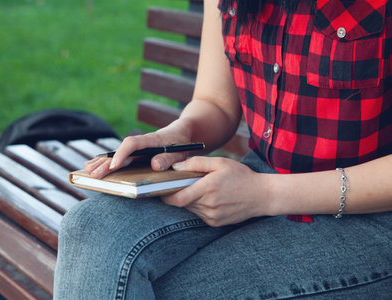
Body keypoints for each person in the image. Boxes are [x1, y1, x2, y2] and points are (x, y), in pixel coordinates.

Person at [53, 0, 392, 298]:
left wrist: (267, 194)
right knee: (90, 229)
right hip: (257, 181)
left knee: (157, 289)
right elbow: (215, 102)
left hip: (371, 217)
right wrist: (175, 136)